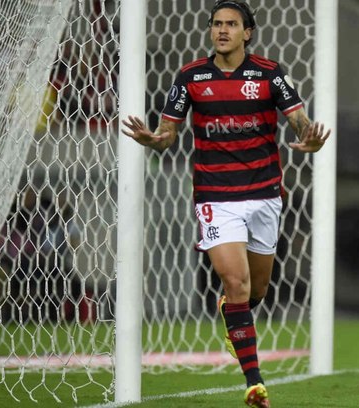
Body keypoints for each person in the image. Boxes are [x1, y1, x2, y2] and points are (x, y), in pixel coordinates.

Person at [122, 1, 330, 406]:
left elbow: (298, 119)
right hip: (217, 196)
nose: (222, 30)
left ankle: (234, 316)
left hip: (265, 192)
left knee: (257, 290)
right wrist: (154, 140)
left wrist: (311, 138)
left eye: (231, 24)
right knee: (235, 284)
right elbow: (168, 134)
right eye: (217, 24)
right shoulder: (191, 77)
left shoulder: (269, 74)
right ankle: (255, 383)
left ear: (247, 32)